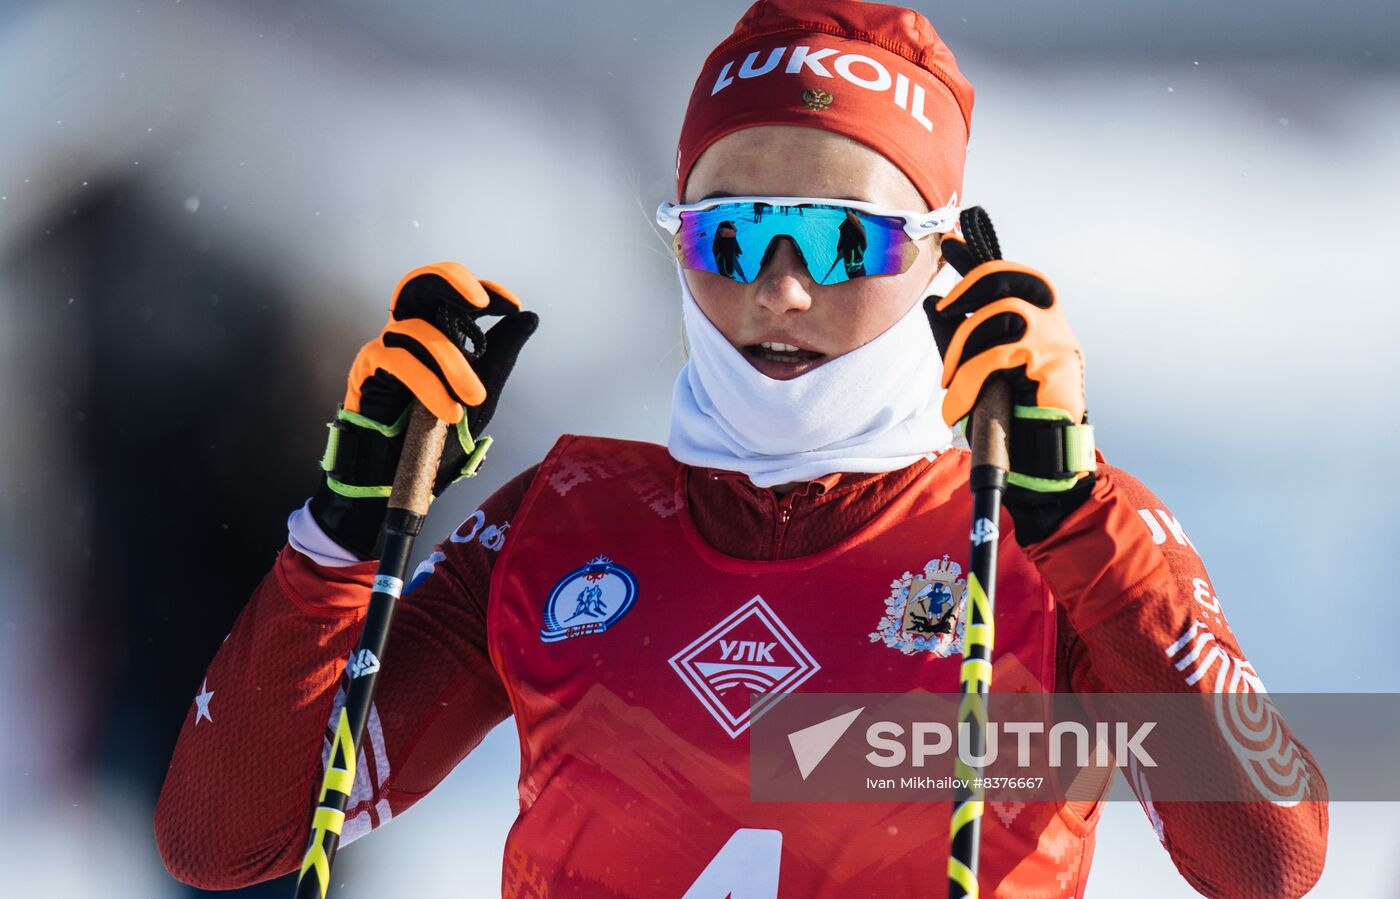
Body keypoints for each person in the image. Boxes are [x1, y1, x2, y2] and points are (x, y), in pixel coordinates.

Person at [154, 2, 1329, 896]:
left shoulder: (1052, 531)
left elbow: (1269, 854)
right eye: (733, 232)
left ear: (945, 262)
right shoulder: (560, 519)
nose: (778, 286)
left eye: (841, 241)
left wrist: (1074, 518)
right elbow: (226, 837)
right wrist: (340, 537)